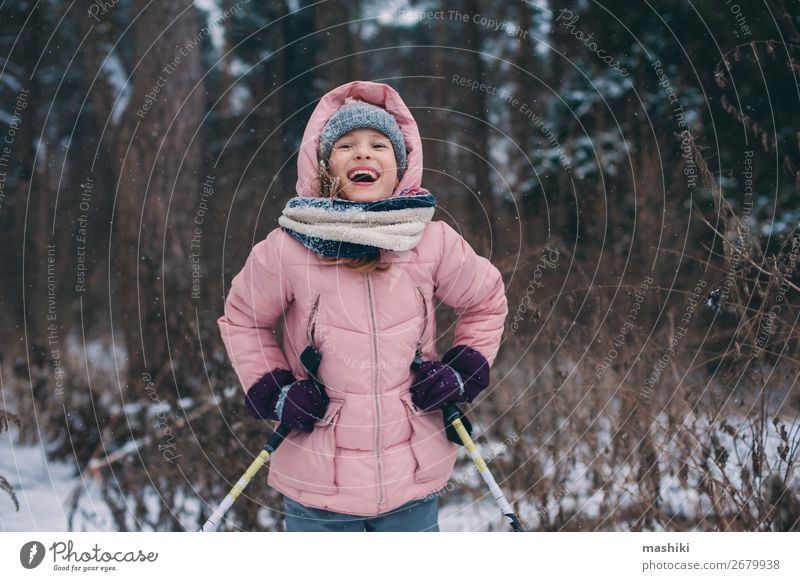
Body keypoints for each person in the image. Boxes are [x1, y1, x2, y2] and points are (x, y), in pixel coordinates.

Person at [217, 80, 508, 532]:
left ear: (402, 165)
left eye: (379, 145)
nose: (363, 154)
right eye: (346, 146)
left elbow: (485, 301)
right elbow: (244, 319)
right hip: (318, 488)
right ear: (322, 165)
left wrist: (461, 370)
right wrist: (275, 392)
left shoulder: (430, 240)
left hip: (411, 479)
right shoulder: (287, 248)